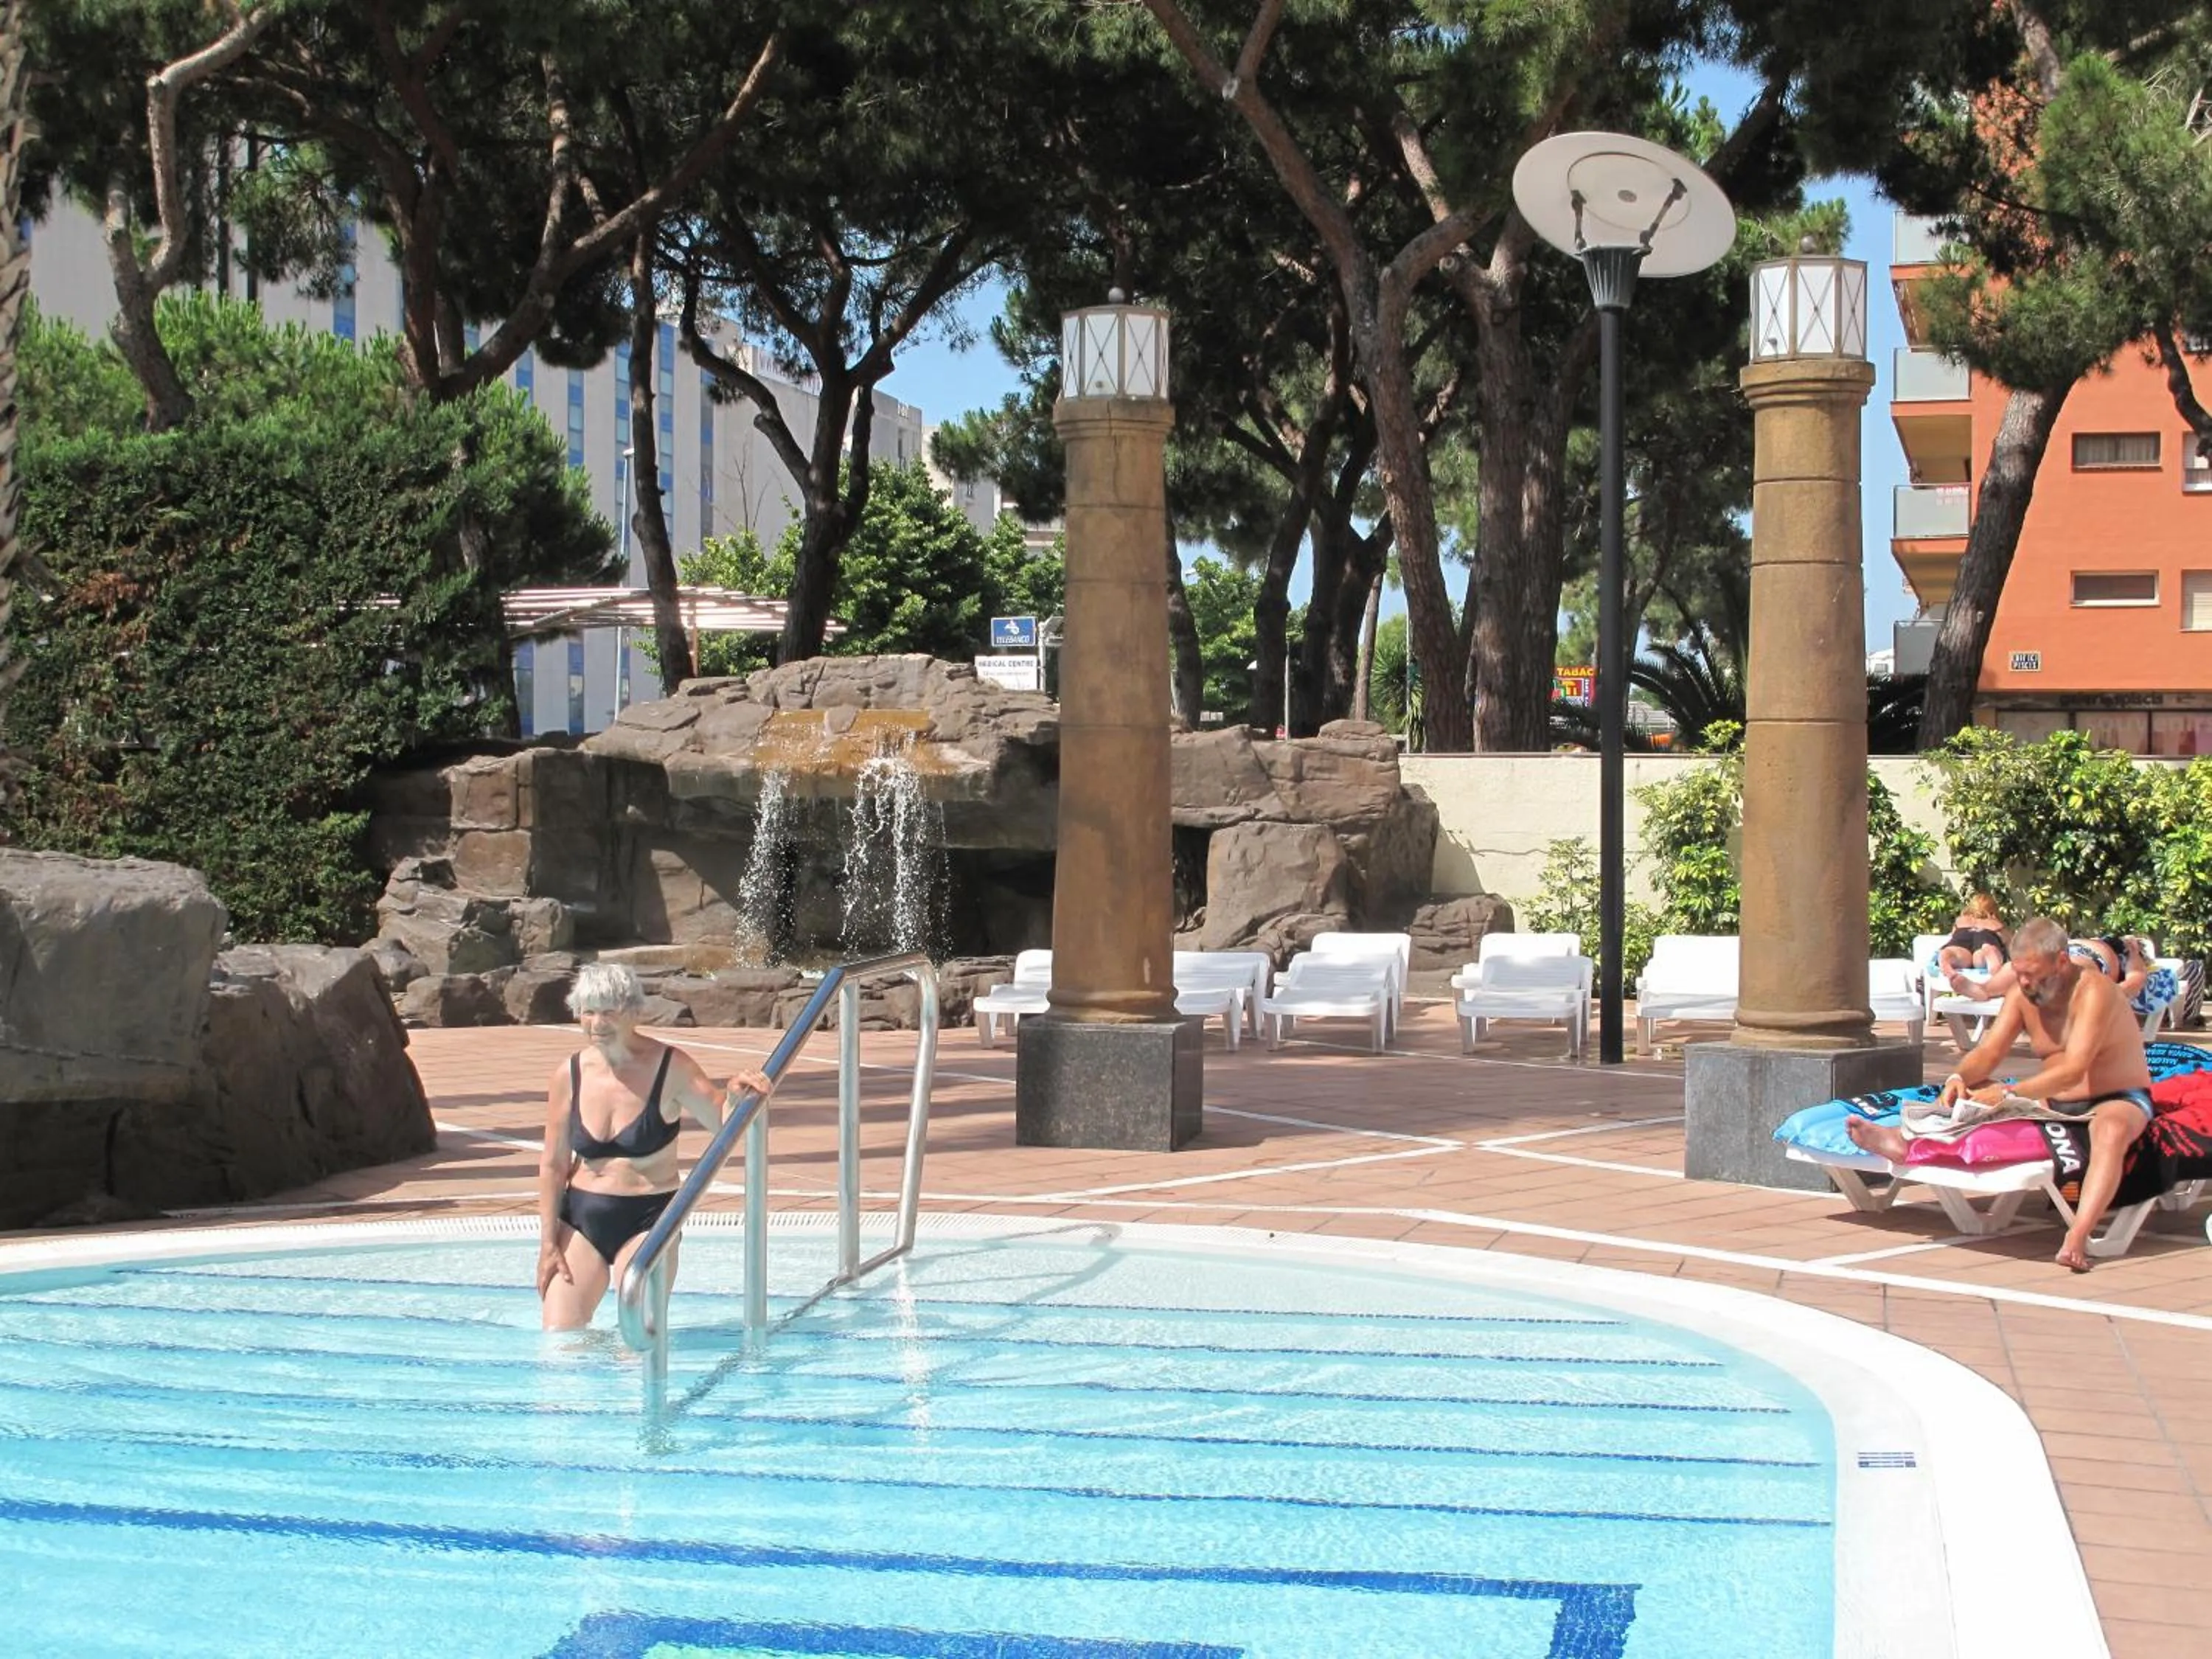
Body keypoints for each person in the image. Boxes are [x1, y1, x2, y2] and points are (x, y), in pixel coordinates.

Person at [1848, 917, 2154, 1272]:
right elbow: (1989, 1053)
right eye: (2019, 973)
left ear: (2061, 962)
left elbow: (2074, 1068)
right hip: (2053, 1101)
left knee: (2110, 1130)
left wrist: (2008, 1093)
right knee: (1967, 1091)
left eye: (2034, 975)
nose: (2025, 983)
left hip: (2116, 1097)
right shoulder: (2023, 993)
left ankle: (2078, 1235)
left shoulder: (2095, 991)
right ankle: (1906, 1141)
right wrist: (1958, 1077)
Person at [537, 963, 774, 1330]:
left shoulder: (671, 1066)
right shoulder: (569, 1074)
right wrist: (548, 1243)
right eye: (588, 1011)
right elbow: (553, 1165)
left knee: (635, 1344)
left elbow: (720, 1123)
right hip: (582, 1216)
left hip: (649, 1218)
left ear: (632, 1012)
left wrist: (734, 1097)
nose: (597, 1023)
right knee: (559, 1340)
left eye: (608, 1012)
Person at [1936, 893, 2009, 996]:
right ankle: (1994, 969)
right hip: (1987, 936)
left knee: (1949, 952)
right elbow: (2012, 944)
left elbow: (1952, 935)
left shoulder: (1961, 921)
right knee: (1988, 951)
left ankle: (1950, 973)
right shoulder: (1995, 924)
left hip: (1962, 937)